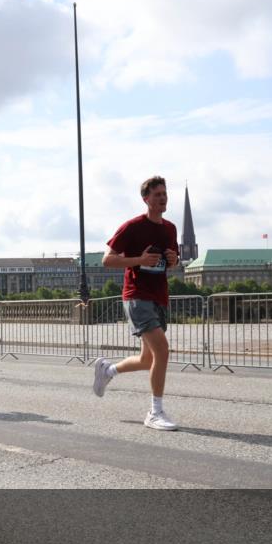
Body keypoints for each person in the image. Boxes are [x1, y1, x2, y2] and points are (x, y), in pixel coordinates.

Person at [93, 175, 180, 431]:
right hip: (137, 295)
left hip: (159, 296)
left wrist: (174, 260)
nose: (163, 198)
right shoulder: (132, 227)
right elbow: (107, 260)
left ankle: (108, 371)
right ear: (146, 199)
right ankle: (155, 412)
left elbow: (171, 264)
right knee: (162, 351)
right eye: (157, 195)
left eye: (164, 194)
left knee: (148, 358)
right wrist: (139, 259)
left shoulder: (170, 229)